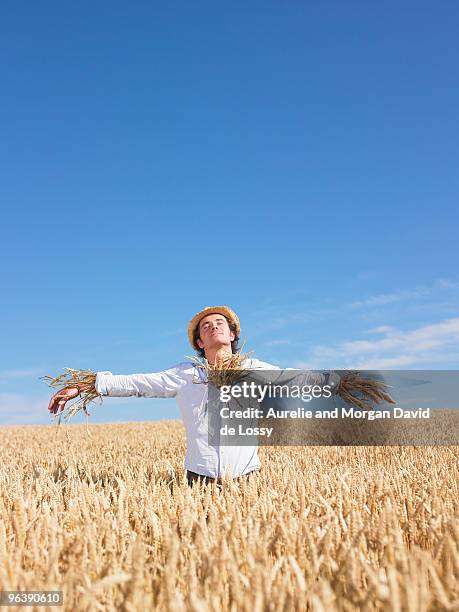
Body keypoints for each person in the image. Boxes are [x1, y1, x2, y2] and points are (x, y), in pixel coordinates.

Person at [47, 305, 393, 486]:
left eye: (219, 323)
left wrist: (347, 383)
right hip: (199, 478)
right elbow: (136, 382)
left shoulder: (255, 368)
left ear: (232, 334)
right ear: (199, 342)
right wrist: (85, 385)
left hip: (247, 478)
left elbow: (297, 378)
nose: (213, 327)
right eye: (205, 326)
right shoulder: (184, 375)